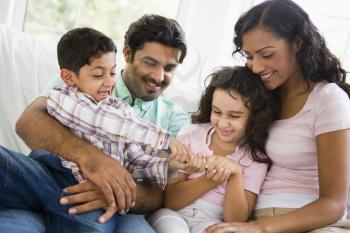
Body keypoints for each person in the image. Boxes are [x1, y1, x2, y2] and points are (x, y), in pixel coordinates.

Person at [3, 14, 189, 233]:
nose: (159, 76)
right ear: (128, 53)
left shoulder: (175, 117)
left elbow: (162, 191)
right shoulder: (87, 75)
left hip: (118, 208)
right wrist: (94, 160)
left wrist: (116, 190)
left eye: (169, 68)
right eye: (150, 63)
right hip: (50, 176)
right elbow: (29, 122)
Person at [204, 0, 350, 233]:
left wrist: (259, 229)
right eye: (249, 56)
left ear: (297, 43)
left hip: (311, 222)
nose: (255, 67)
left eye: (267, 54)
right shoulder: (260, 95)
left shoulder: (328, 100)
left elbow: (334, 204)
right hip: (259, 216)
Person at [147, 66, 277, 233]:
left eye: (234, 116)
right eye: (217, 112)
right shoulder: (191, 134)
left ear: (256, 115)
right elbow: (171, 202)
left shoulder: (255, 158)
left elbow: (236, 220)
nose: (222, 123)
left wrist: (235, 174)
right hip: (173, 215)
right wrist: (211, 178)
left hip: (212, 221)